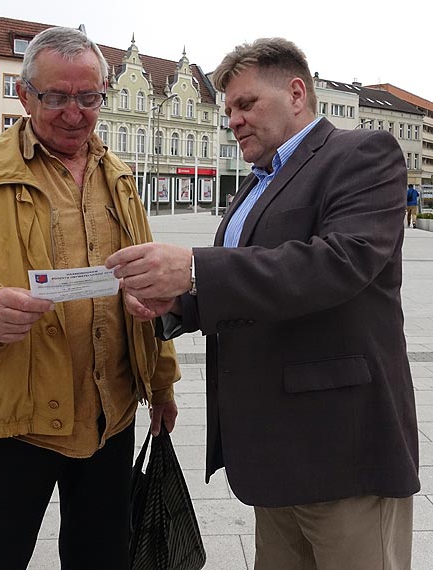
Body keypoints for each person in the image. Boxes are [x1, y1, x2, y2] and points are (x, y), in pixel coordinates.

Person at [107, 38, 419, 570]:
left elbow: (340, 262)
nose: (233, 120)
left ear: (297, 93)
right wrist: (177, 305)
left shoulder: (362, 153)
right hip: (272, 452)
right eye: (228, 109)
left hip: (340, 448)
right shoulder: (258, 181)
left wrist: (196, 269)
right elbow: (250, 287)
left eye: (246, 104)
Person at [0, 27, 179, 570]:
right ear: (26, 96)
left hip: (109, 416)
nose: (75, 112)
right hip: (11, 425)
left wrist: (161, 383)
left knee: (102, 560)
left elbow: (147, 288)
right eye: (56, 97)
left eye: (89, 97)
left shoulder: (119, 176)